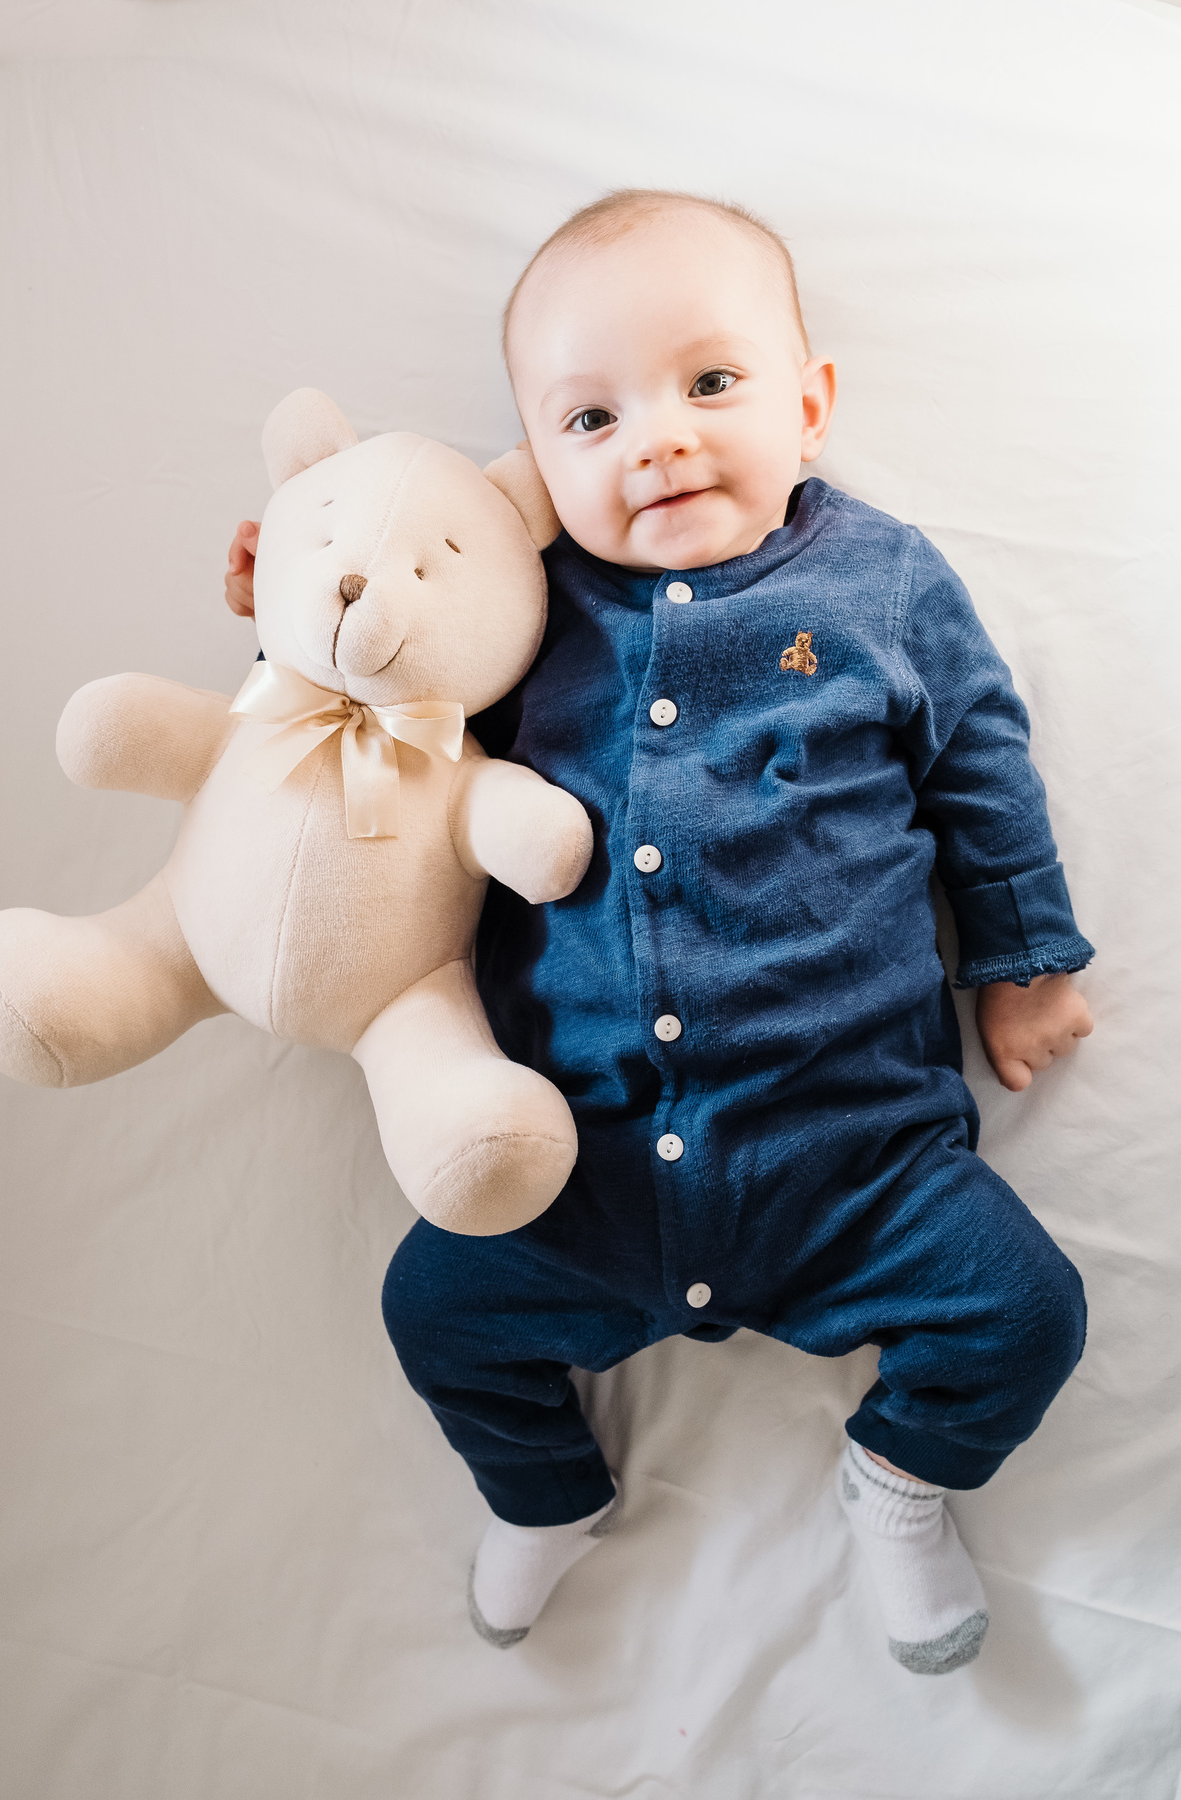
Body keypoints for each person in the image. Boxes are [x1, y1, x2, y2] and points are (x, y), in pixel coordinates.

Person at [225, 190, 1094, 1674]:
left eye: (712, 383)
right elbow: (386, 714)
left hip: (854, 1155)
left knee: (1028, 1314)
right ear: (532, 463)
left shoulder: (880, 583)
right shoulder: (519, 609)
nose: (658, 443)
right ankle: (546, 1492)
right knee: (431, 1311)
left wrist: (1023, 962)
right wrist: (284, 622)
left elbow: (980, 764)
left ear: (808, 405)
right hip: (583, 1161)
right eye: (591, 419)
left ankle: (901, 1479)